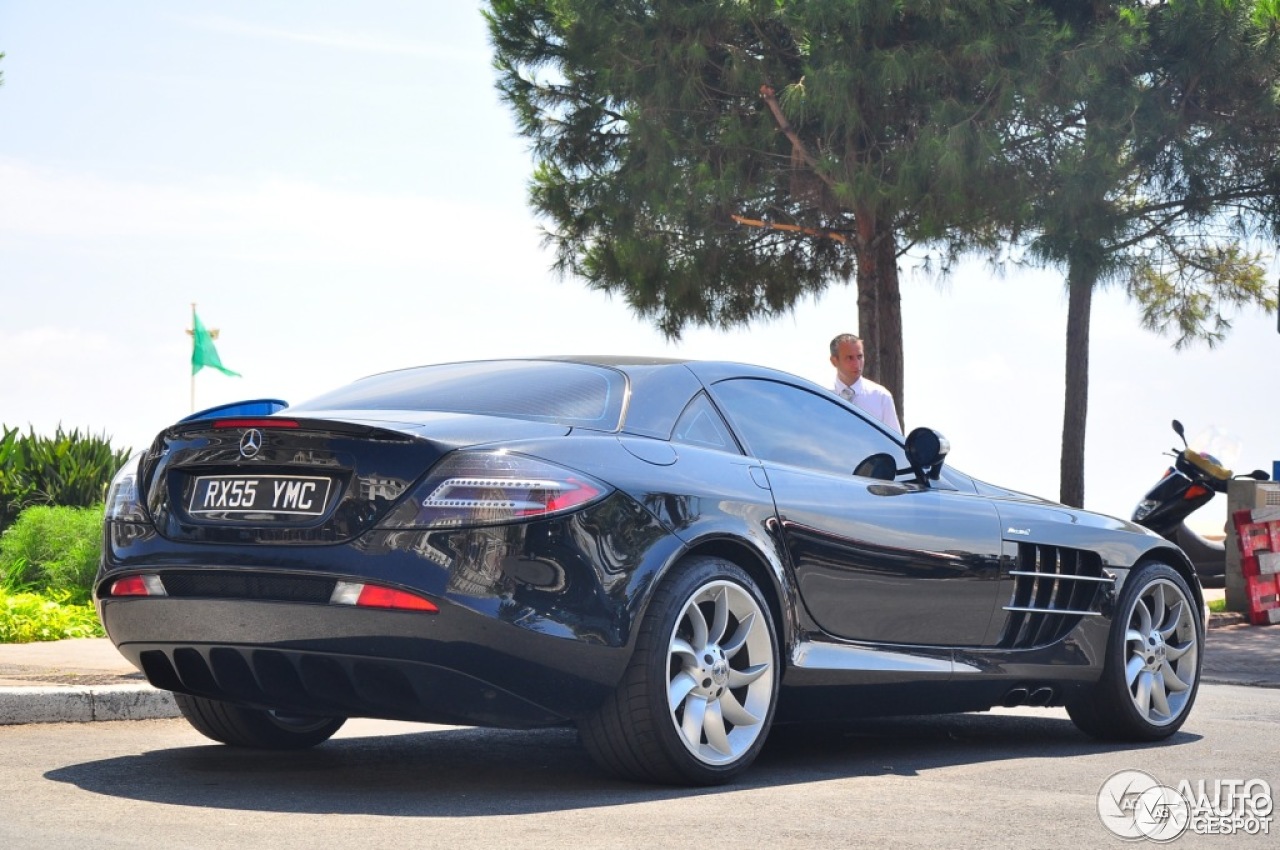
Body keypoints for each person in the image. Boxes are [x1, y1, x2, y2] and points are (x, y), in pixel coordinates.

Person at [829, 333, 902, 434]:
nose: (857, 364)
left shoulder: (881, 396)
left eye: (859, 357)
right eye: (850, 358)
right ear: (834, 361)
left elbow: (894, 444)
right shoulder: (821, 395)